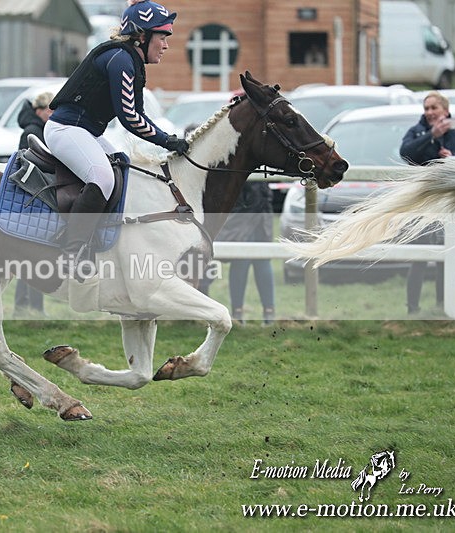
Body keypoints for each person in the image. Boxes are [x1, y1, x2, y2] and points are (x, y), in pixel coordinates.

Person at [44, 0, 188, 277]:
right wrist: (168, 141)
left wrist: (167, 139)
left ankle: (101, 239)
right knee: (103, 178)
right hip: (66, 130)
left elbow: (139, 114)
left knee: (122, 167)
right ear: (142, 36)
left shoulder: (130, 60)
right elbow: (130, 118)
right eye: (162, 37)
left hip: (83, 131)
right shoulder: (120, 60)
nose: (166, 45)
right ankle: (72, 252)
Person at [399, 91, 455, 314]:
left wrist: (454, 159)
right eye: (426, 108)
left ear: (445, 111)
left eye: (434, 108)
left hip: (447, 205)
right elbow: (406, 153)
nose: (429, 112)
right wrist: (431, 135)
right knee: (419, 257)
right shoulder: (416, 131)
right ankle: (412, 309)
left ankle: (442, 306)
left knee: (446, 255)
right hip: (421, 205)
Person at [14, 91, 54, 316]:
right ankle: (31, 306)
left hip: (33, 195)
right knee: (33, 254)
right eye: (49, 109)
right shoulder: (33, 132)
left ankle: (25, 306)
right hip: (33, 196)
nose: (52, 113)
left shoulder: (36, 129)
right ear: (38, 111)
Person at [215, 181, 276, 325]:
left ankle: (240, 313)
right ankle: (267, 312)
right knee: (257, 261)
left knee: (245, 262)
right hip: (258, 211)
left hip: (250, 210)